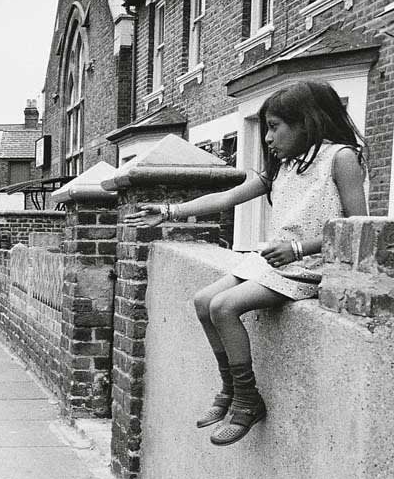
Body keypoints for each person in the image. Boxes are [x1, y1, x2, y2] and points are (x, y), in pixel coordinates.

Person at [125, 80, 369, 446]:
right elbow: (226, 197)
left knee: (225, 307)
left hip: (310, 268)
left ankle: (247, 401)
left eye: (274, 127)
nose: (267, 138)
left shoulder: (341, 158)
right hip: (275, 264)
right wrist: (167, 211)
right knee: (203, 301)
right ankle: (230, 389)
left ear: (306, 121)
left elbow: (358, 228)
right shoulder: (284, 166)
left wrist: (300, 248)